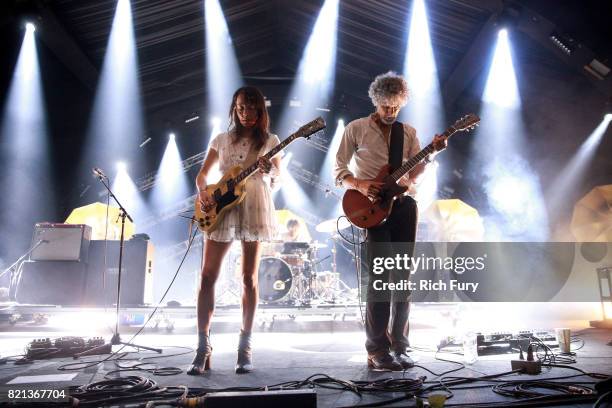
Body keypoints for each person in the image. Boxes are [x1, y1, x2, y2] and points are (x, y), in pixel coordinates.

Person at [334, 71, 446, 371]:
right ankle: (376, 349)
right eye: (386, 107)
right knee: (381, 279)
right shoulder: (356, 129)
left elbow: (414, 173)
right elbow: (339, 170)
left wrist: (431, 155)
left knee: (403, 278)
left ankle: (401, 345)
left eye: (395, 107)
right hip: (372, 209)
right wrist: (360, 185)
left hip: (405, 206)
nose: (390, 113)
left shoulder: (407, 133)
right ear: (376, 101)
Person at [191, 86, 281, 375]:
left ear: (261, 111)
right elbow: (203, 174)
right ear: (235, 108)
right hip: (222, 205)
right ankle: (203, 347)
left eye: (253, 108)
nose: (247, 113)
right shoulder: (220, 139)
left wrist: (268, 170)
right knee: (207, 276)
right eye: (242, 108)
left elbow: (277, 175)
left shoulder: (271, 140)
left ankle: (245, 348)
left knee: (248, 279)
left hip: (254, 204)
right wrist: (204, 192)